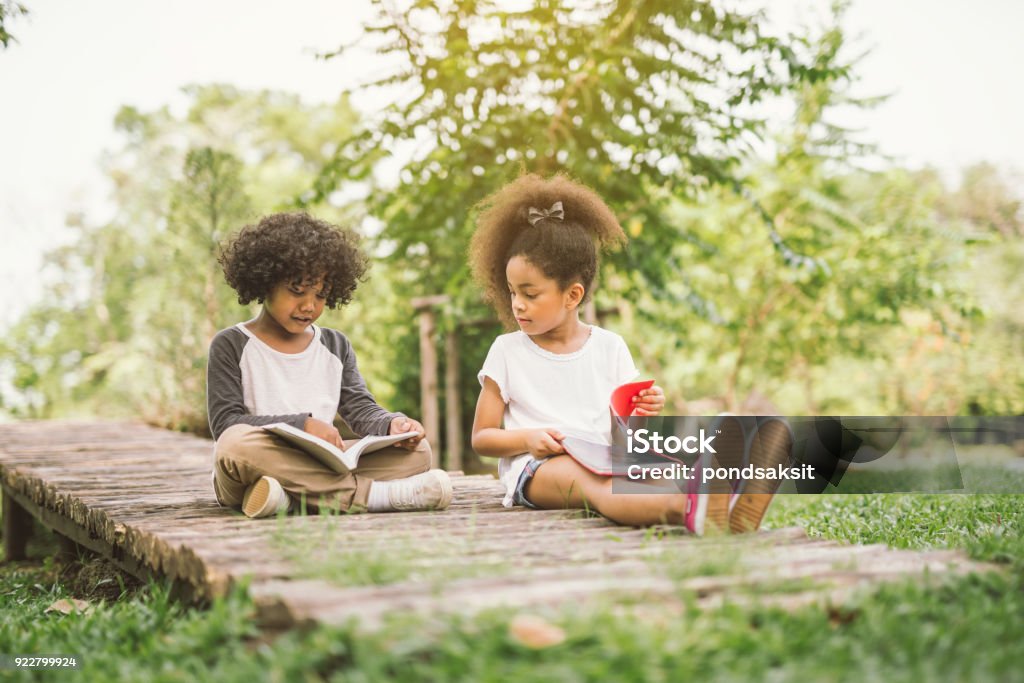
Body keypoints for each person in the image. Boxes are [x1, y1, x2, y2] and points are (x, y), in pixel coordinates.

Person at [469, 174, 790, 534]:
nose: (517, 305)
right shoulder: (508, 351)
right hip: (538, 466)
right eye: (513, 292)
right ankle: (695, 506)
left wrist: (643, 409)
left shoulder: (610, 347)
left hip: (607, 457)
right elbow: (482, 437)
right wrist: (528, 439)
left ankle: (727, 501)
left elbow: (627, 436)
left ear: (572, 296)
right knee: (599, 488)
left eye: (530, 294)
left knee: (658, 475)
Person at [207, 212, 452, 518]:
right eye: (297, 291)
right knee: (233, 444)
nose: (309, 305)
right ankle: (373, 496)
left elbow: (361, 409)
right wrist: (303, 424)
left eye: (320, 295)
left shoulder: (335, 345)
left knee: (418, 452)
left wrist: (393, 424)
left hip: (319, 466)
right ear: (264, 282)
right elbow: (226, 424)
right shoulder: (230, 344)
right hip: (255, 466)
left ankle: (290, 500)